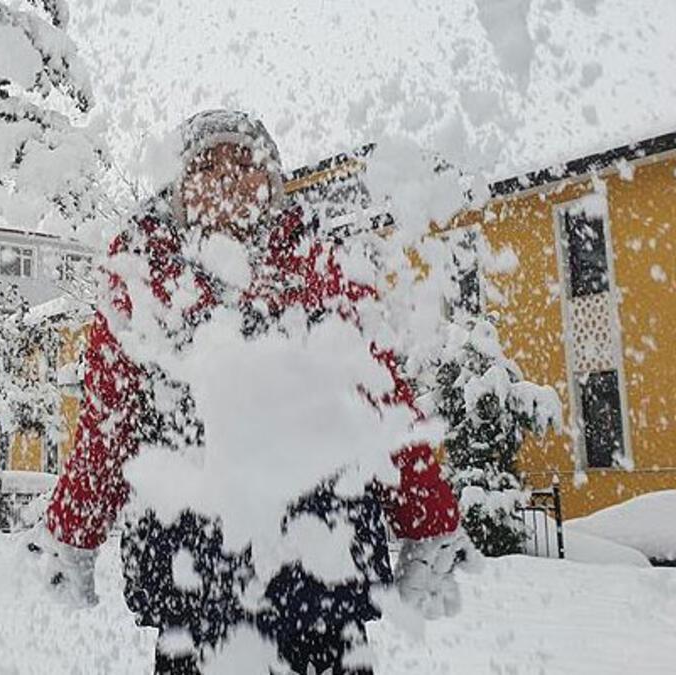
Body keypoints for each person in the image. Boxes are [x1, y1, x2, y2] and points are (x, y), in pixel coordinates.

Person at [30, 110, 478, 674]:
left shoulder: (319, 264)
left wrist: (428, 520)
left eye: (244, 162)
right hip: (192, 577)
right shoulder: (143, 276)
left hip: (322, 574)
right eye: (206, 164)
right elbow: (107, 422)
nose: (226, 177)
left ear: (271, 179)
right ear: (178, 185)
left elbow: (382, 399)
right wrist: (74, 532)